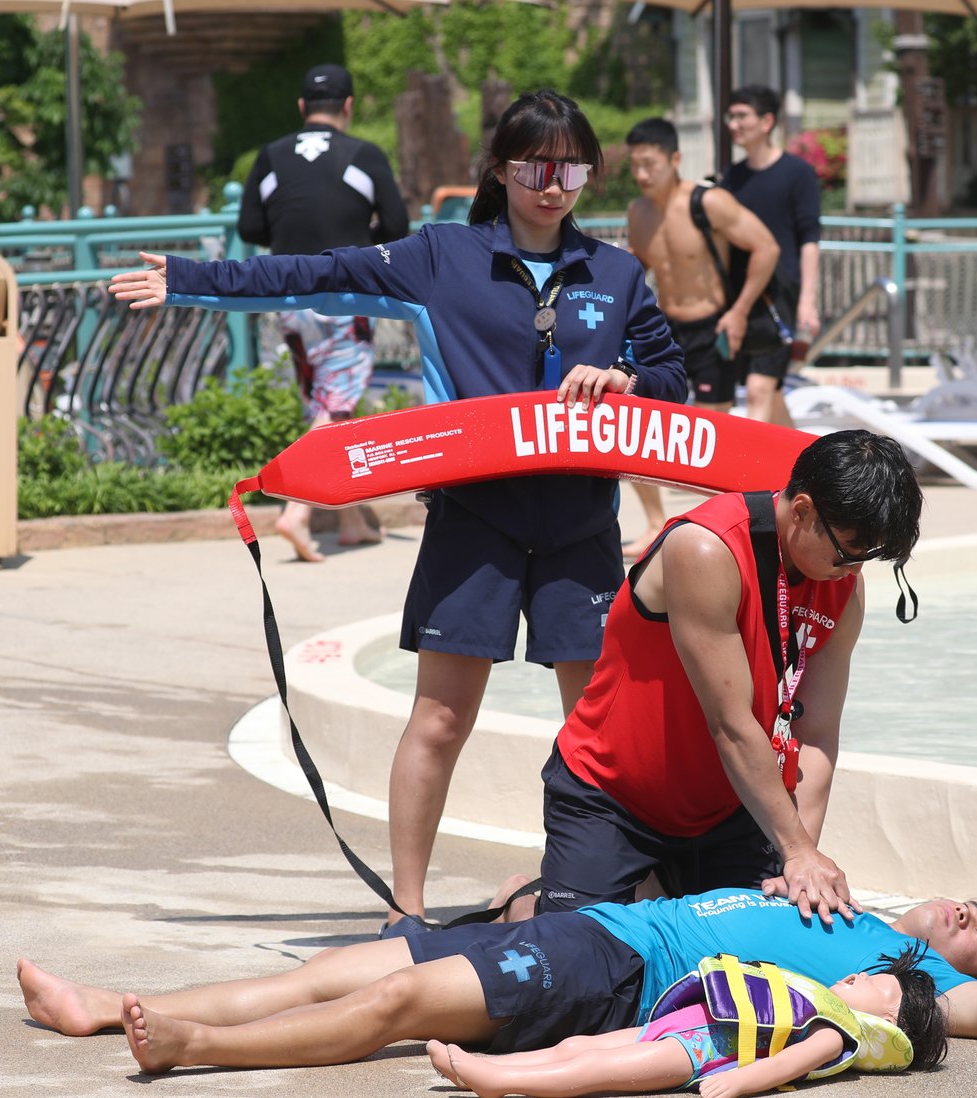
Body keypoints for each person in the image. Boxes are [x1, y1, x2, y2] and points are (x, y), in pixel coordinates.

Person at [109, 90, 687, 938]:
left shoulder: (615, 272)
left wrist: (629, 381)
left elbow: (675, 377)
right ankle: (406, 910)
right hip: (473, 522)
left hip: (579, 528)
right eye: (534, 165)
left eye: (569, 167)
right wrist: (192, 279)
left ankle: (608, 895)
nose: (552, 184)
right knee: (442, 718)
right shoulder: (440, 257)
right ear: (499, 168)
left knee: (595, 724)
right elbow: (314, 270)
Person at [16, 883, 977, 1077]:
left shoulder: (907, 965)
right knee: (337, 967)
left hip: (612, 968)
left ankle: (189, 1048)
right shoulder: (847, 891)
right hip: (596, 922)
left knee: (393, 1010)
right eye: (975, 910)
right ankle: (99, 1009)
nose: (966, 924)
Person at [538, 430, 922, 924]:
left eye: (867, 559)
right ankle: (526, 901)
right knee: (579, 970)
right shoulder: (705, 548)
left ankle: (645, 890)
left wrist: (799, 859)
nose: (852, 571)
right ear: (801, 510)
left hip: (731, 810)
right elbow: (731, 723)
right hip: (614, 796)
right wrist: (795, 848)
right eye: (848, 552)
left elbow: (818, 734)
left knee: (764, 967)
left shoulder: (844, 587)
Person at [237, 62, 409, 558]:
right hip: (343, 292)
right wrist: (354, 242)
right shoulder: (364, 154)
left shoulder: (270, 156)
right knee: (337, 405)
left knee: (324, 404)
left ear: (300, 108)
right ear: (349, 107)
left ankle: (350, 518)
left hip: (288, 295)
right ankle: (296, 511)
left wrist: (293, 240)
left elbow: (250, 226)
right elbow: (397, 226)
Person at [425, 942, 948, 1098]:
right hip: (686, 1021)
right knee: (579, 1045)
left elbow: (793, 1061)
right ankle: (492, 1061)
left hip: (699, 1053)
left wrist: (739, 1083)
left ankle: (500, 1081)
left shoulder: (837, 1032)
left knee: (592, 1074)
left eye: (882, 986)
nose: (862, 976)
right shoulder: (820, 1000)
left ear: (888, 1018)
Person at [621, 116, 781, 558]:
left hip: (713, 327)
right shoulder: (638, 212)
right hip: (664, 332)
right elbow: (639, 273)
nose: (641, 174)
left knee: (713, 437)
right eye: (634, 166)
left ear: (675, 160)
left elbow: (766, 246)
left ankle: (722, 529)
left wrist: (739, 311)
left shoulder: (708, 202)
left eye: (650, 164)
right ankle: (655, 522)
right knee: (636, 424)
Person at [722, 85, 823, 428]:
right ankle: (803, 463)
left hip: (781, 295)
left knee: (759, 389)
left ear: (767, 121)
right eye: (730, 116)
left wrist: (807, 302)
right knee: (769, 391)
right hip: (740, 295)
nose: (733, 123)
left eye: (741, 116)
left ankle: (755, 482)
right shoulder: (731, 176)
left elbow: (809, 238)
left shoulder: (798, 173)